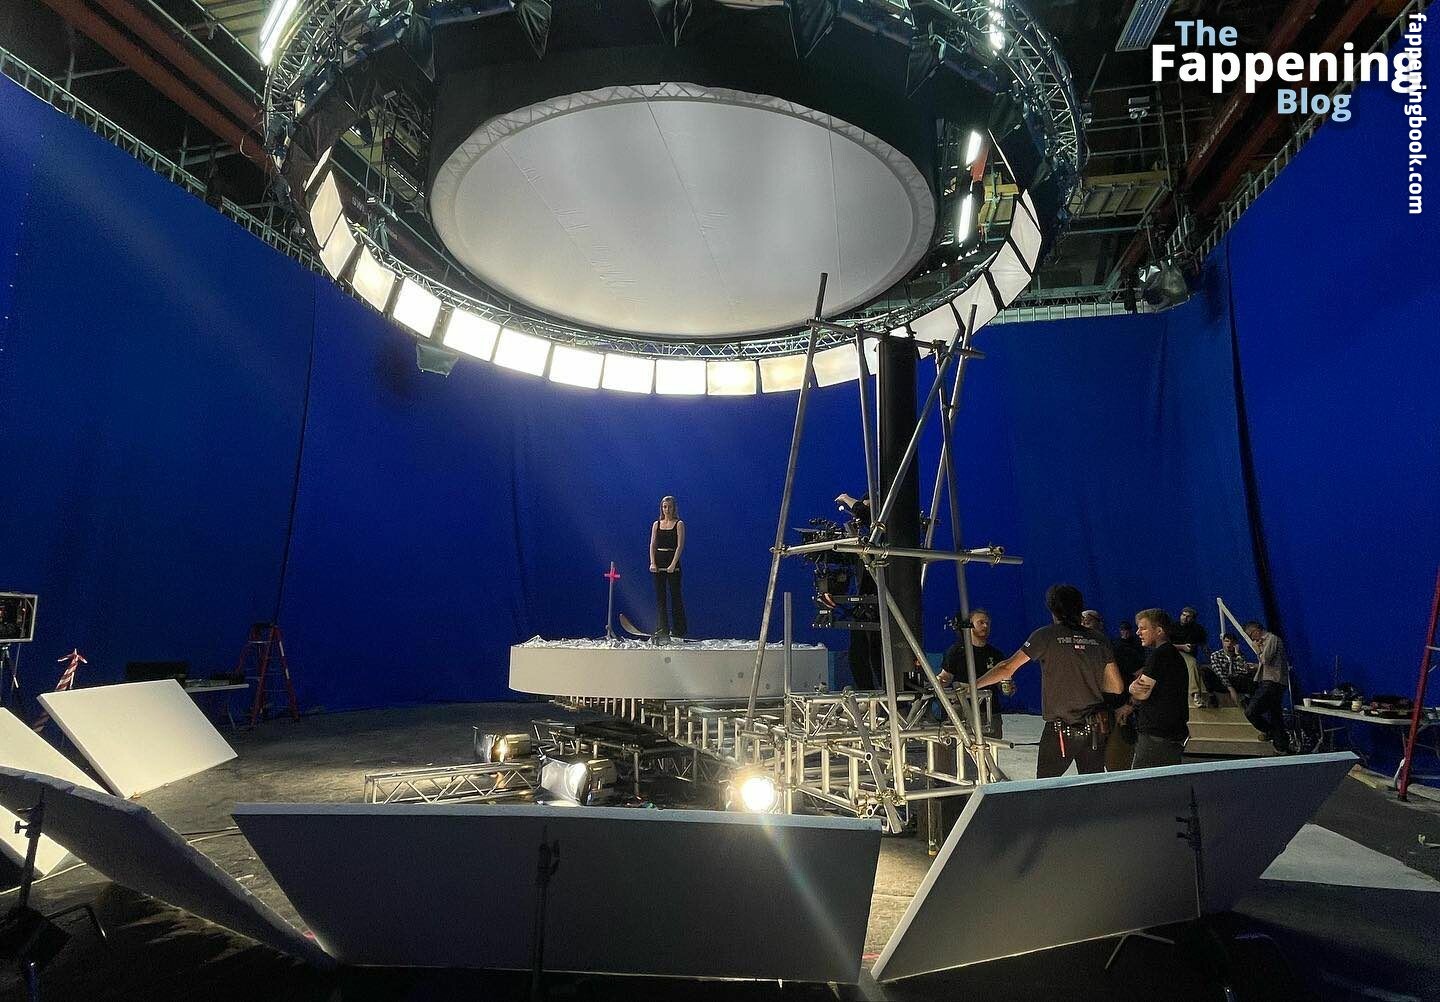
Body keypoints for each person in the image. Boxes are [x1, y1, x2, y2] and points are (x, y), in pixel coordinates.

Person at [976, 584, 1124, 778]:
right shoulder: (1099, 639)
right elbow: (1116, 687)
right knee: (1092, 785)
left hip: (1061, 731)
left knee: (1045, 786)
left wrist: (973, 685)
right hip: (1093, 731)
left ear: (1052, 608)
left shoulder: (1046, 636)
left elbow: (1007, 668)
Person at [1119, 609, 1190, 768]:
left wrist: (1131, 687)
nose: (1138, 632)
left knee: (1143, 780)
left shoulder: (1159, 656)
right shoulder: (1173, 655)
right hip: (1172, 733)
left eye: (1143, 628)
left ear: (1159, 631)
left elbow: (1141, 692)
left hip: (1156, 736)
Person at [938, 608, 1008, 738]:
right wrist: (938, 681)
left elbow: (1002, 683)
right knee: (961, 747)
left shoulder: (996, 654)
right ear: (970, 625)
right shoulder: (956, 652)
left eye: (987, 623)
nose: (985, 626)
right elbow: (946, 676)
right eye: (981, 622)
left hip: (990, 712)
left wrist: (1007, 687)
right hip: (963, 711)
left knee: (991, 747)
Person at [1243, 620, 1292, 752]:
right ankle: (1281, 746)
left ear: (1255, 631)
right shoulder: (1266, 642)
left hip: (1272, 682)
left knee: (1250, 711)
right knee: (1275, 715)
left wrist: (1257, 649)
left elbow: (1265, 659)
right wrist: (1255, 667)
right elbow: (1268, 662)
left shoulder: (1271, 639)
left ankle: (1270, 732)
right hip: (1271, 681)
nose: (1251, 638)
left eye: (1250, 635)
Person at [649, 496, 687, 637]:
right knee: (661, 597)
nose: (667, 510)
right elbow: (652, 544)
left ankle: (678, 629)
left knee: (675, 596)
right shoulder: (656, 524)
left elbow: (679, 546)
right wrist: (653, 562)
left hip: (672, 562)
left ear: (674, 508)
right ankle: (662, 628)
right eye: (665, 507)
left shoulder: (679, 524)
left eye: (670, 507)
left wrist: (673, 564)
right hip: (659, 562)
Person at [1209, 633, 1254, 699]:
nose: (1229, 644)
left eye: (1232, 642)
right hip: (1222, 682)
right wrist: (1230, 688)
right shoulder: (1216, 655)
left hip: (1235, 680)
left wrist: (1237, 654)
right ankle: (1211, 696)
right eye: (1227, 641)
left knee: (1250, 676)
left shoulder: (1239, 655)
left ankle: (1247, 698)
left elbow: (1244, 671)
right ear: (1223, 642)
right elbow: (1219, 673)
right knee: (1206, 671)